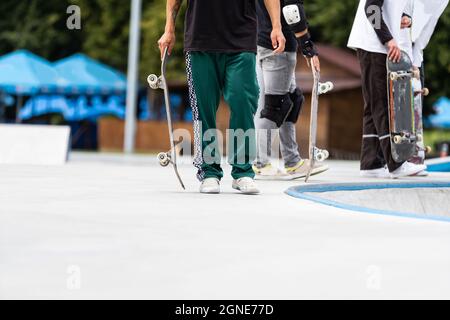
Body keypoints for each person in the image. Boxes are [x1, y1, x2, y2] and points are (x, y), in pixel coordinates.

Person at [157, 0, 286, 194]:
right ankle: (209, 172)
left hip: (242, 39)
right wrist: (169, 29)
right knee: (204, 110)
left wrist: (277, 26)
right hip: (200, 41)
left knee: (243, 101)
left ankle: (242, 171)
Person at [347, 0, 427, 179]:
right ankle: (396, 164)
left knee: (373, 104)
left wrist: (404, 18)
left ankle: (371, 163)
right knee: (382, 104)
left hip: (374, 45)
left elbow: (387, 9)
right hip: (374, 45)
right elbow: (372, 8)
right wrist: (388, 39)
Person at [253, 0, 329, 179]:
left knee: (290, 100)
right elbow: (291, 9)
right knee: (275, 106)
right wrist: (307, 45)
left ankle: (292, 161)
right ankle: (261, 163)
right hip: (280, 45)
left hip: (261, 41)